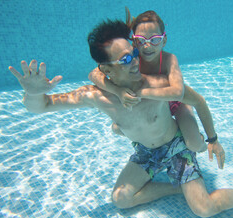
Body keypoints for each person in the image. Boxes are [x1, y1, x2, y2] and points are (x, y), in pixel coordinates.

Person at [8, 19, 233, 218]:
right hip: (145, 153)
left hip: (176, 148)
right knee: (120, 199)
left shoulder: (158, 84)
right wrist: (31, 93)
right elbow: (43, 106)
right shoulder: (97, 97)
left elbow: (199, 101)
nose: (135, 61)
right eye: (125, 59)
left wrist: (213, 139)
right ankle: (175, 188)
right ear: (105, 69)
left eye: (133, 53)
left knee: (203, 209)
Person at [88, 9, 208, 153]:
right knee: (116, 128)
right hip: (151, 109)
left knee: (196, 146)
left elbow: (180, 94)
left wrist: (213, 139)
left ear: (164, 40)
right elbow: (94, 73)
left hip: (174, 104)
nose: (147, 46)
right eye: (141, 40)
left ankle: (187, 136)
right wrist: (118, 91)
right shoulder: (131, 58)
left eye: (155, 39)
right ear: (134, 41)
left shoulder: (168, 61)